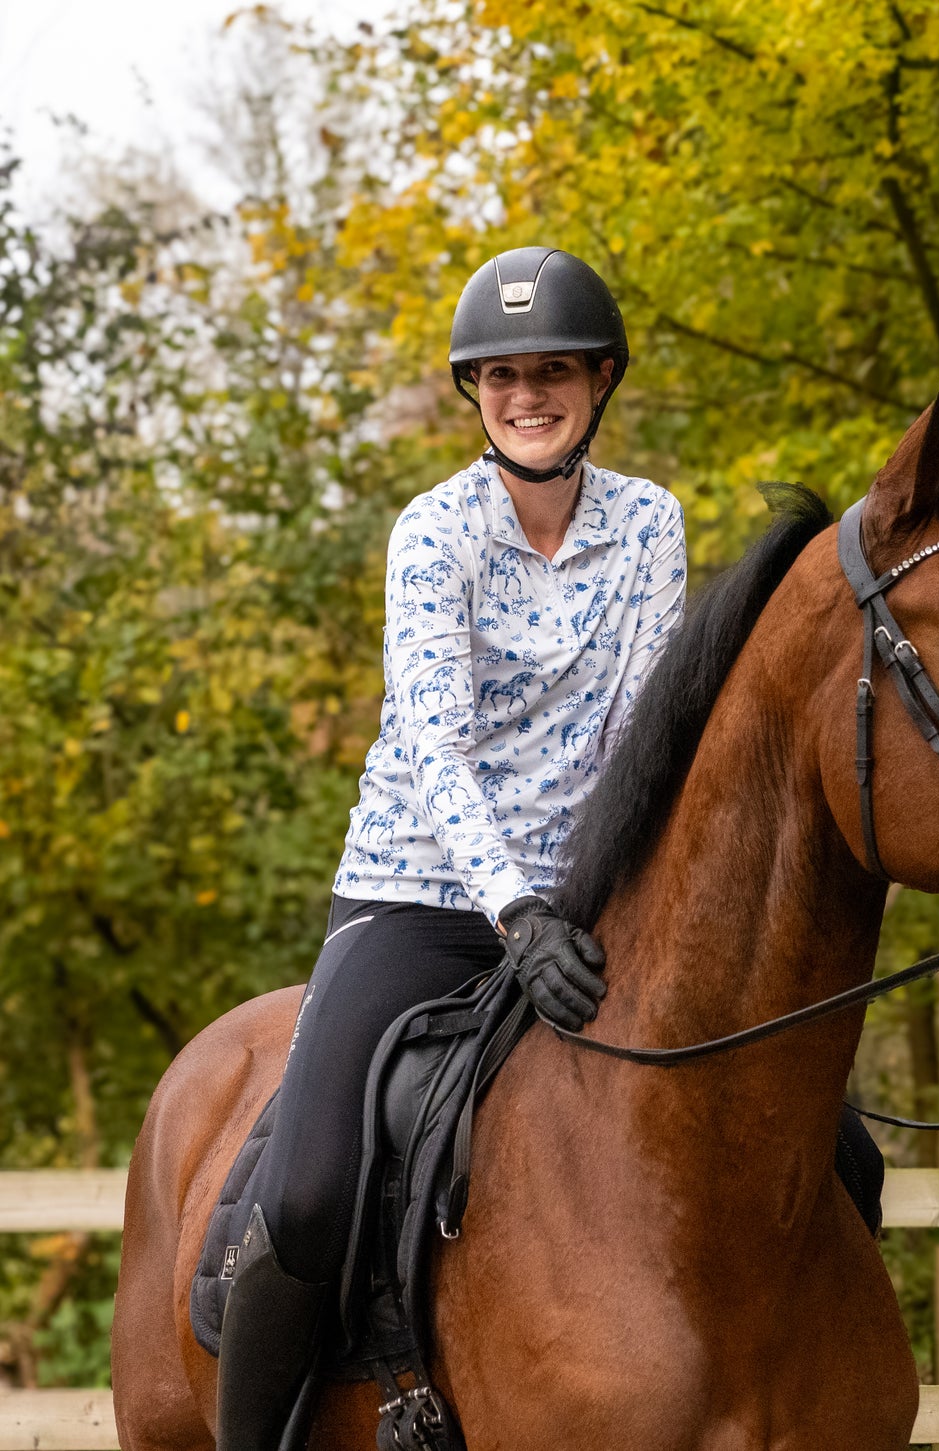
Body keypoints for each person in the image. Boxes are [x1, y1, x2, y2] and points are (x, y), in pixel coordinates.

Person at [214, 247, 687, 1451]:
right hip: (420, 893)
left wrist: (595, 898)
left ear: (600, 379)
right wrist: (513, 911)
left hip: (589, 898)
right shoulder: (434, 532)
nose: (529, 394)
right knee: (312, 1190)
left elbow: (642, 733)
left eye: (554, 372)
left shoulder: (647, 525)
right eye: (503, 375)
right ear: (475, 392)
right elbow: (435, 743)